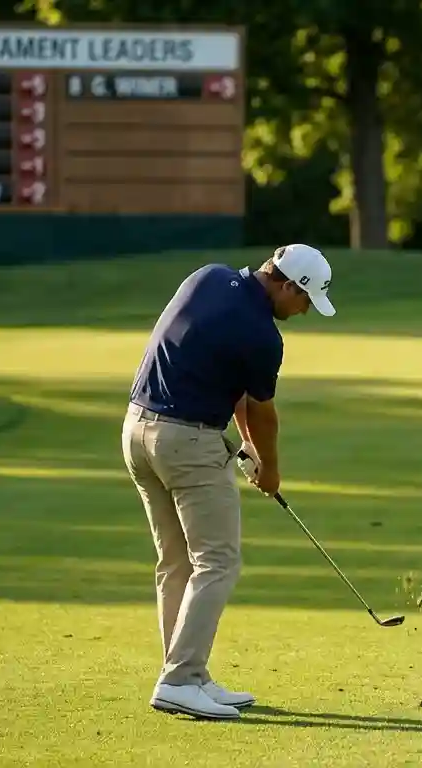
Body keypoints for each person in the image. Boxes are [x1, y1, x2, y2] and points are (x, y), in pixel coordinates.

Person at [121, 244, 336, 720]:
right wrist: (271, 467)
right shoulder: (262, 334)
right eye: (304, 301)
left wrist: (247, 451)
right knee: (217, 561)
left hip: (137, 431)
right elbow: (263, 412)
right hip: (185, 442)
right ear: (286, 285)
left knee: (175, 562)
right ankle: (179, 680)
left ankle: (186, 675)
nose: (302, 312)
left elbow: (230, 386)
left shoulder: (209, 278)